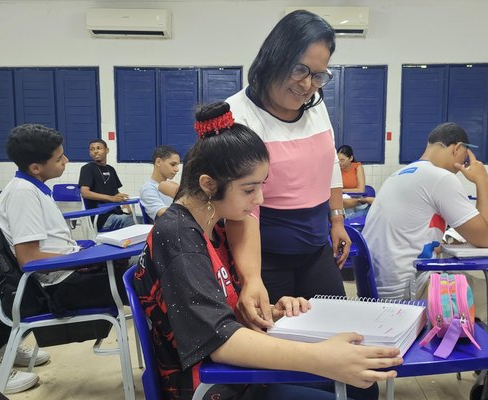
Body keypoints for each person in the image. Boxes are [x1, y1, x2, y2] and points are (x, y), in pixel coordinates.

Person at [134, 102, 401, 400]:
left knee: (362, 386)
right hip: (216, 386)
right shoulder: (179, 238)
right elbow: (219, 341)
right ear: (208, 185)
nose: (259, 199)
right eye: (249, 189)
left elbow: (214, 313)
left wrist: (269, 312)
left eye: (262, 186)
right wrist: (323, 357)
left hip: (241, 377)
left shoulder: (216, 227)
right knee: (355, 385)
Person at [225, 10, 350, 330]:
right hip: (266, 255)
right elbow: (242, 208)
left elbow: (330, 162)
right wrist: (251, 277)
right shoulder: (238, 115)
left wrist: (337, 218)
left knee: (339, 333)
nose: (308, 85)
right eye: (300, 70)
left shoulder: (316, 104)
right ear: (275, 57)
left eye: (319, 75)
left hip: (316, 247)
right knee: (280, 342)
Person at [0, 124, 130, 391]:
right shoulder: (23, 194)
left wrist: (83, 252)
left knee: (140, 269)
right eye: (59, 158)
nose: (66, 161)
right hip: (59, 288)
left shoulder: (33, 188)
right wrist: (87, 258)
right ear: (36, 167)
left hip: (65, 273)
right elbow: (29, 259)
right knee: (144, 279)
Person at [363, 122, 488, 300]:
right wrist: (483, 180)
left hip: (375, 288)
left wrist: (440, 246)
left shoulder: (398, 175)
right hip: (410, 290)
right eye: (465, 159)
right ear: (457, 148)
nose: (465, 165)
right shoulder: (441, 178)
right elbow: (485, 238)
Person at [78, 139, 135, 231]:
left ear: (107, 150)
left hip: (116, 212)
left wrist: (125, 203)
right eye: (92, 149)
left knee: (139, 218)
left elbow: (115, 193)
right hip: (101, 217)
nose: (95, 151)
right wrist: (111, 198)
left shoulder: (111, 169)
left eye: (98, 148)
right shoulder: (87, 169)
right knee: (128, 220)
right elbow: (85, 193)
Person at [139, 145, 180, 222]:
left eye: (177, 165)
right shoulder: (148, 189)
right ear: (158, 162)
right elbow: (165, 215)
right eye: (173, 164)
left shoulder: (171, 185)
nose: (177, 169)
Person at [337, 145, 373, 218]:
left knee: (372, 209)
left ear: (351, 158)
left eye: (342, 160)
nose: (339, 163)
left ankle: (350, 219)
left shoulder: (357, 167)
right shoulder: (336, 169)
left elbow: (361, 190)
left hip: (357, 200)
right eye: (338, 160)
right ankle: (349, 220)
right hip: (343, 201)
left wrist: (342, 190)